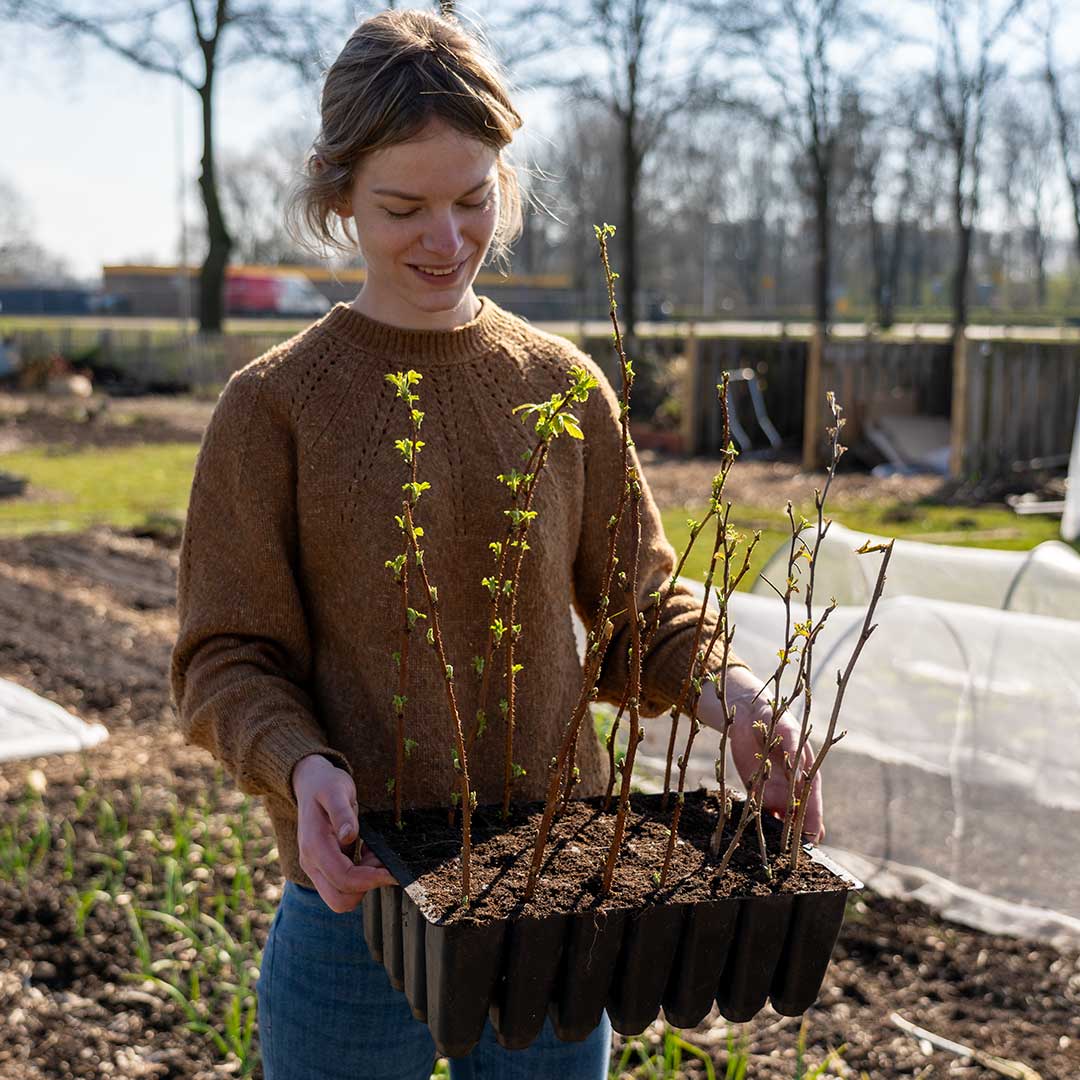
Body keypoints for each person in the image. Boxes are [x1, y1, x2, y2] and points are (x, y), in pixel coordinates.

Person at [168, 9, 824, 1080]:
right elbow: (222, 659)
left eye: (473, 199)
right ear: (338, 196)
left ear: (505, 184)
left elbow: (640, 612)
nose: (446, 238)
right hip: (357, 906)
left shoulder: (560, 386)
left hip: (549, 903)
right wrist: (302, 767)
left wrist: (735, 694)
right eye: (403, 206)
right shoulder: (276, 407)